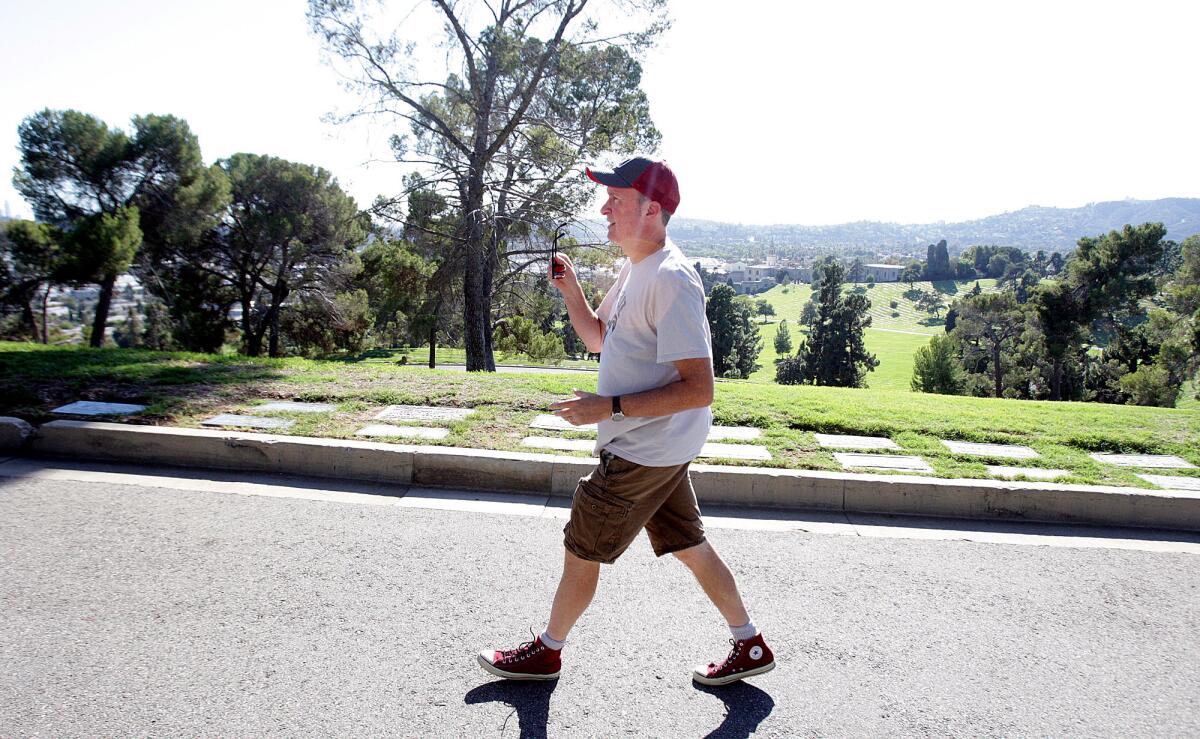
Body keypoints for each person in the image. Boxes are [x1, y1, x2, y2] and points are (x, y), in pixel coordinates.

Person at [477, 156, 775, 686]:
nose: (603, 208)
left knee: (582, 544)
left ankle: (547, 651)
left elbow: (699, 388)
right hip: (659, 447)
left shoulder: (672, 280)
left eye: (616, 199)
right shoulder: (635, 267)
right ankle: (749, 643)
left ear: (652, 209)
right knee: (690, 545)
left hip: (642, 448)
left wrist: (607, 408)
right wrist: (572, 294)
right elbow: (599, 337)